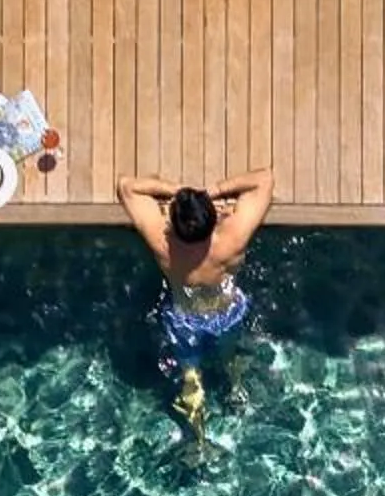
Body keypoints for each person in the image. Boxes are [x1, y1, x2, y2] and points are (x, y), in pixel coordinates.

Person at [117, 167, 275, 425]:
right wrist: (214, 191)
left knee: (190, 375)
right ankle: (235, 390)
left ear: (172, 223)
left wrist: (175, 191)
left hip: (184, 322)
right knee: (229, 357)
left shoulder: (163, 243)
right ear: (213, 219)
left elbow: (126, 186)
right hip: (226, 314)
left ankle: (200, 440)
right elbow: (264, 179)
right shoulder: (232, 238)